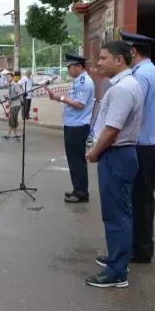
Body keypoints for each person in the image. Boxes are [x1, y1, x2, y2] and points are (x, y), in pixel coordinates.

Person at [85, 41, 143, 288]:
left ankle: (117, 272)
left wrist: (94, 153)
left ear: (119, 60)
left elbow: (111, 130)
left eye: (103, 58)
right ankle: (118, 257)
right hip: (120, 154)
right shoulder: (126, 84)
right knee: (119, 211)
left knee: (116, 214)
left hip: (116, 154)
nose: (98, 62)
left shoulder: (122, 89)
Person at [123, 31, 155, 264]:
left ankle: (138, 248)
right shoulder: (153, 71)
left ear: (132, 51)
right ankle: (144, 245)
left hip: (141, 145)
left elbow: (130, 111)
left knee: (137, 199)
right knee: (145, 198)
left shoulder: (140, 76)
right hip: (152, 142)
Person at [46, 54, 94, 203]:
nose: (68, 69)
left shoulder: (85, 82)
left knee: (77, 161)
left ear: (78, 66)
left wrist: (60, 98)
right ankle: (77, 188)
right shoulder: (78, 81)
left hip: (78, 126)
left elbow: (79, 104)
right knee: (73, 161)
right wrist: (58, 96)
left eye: (69, 67)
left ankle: (81, 193)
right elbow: (72, 97)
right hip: (72, 124)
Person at [4, 72, 22, 140]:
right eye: (7, 77)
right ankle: (16, 134)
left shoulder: (15, 84)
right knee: (14, 119)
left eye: (9, 76)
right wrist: (8, 96)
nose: (7, 78)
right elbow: (12, 94)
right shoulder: (10, 85)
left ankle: (8, 135)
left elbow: (19, 94)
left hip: (16, 104)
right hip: (13, 104)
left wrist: (10, 97)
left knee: (11, 119)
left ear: (12, 77)